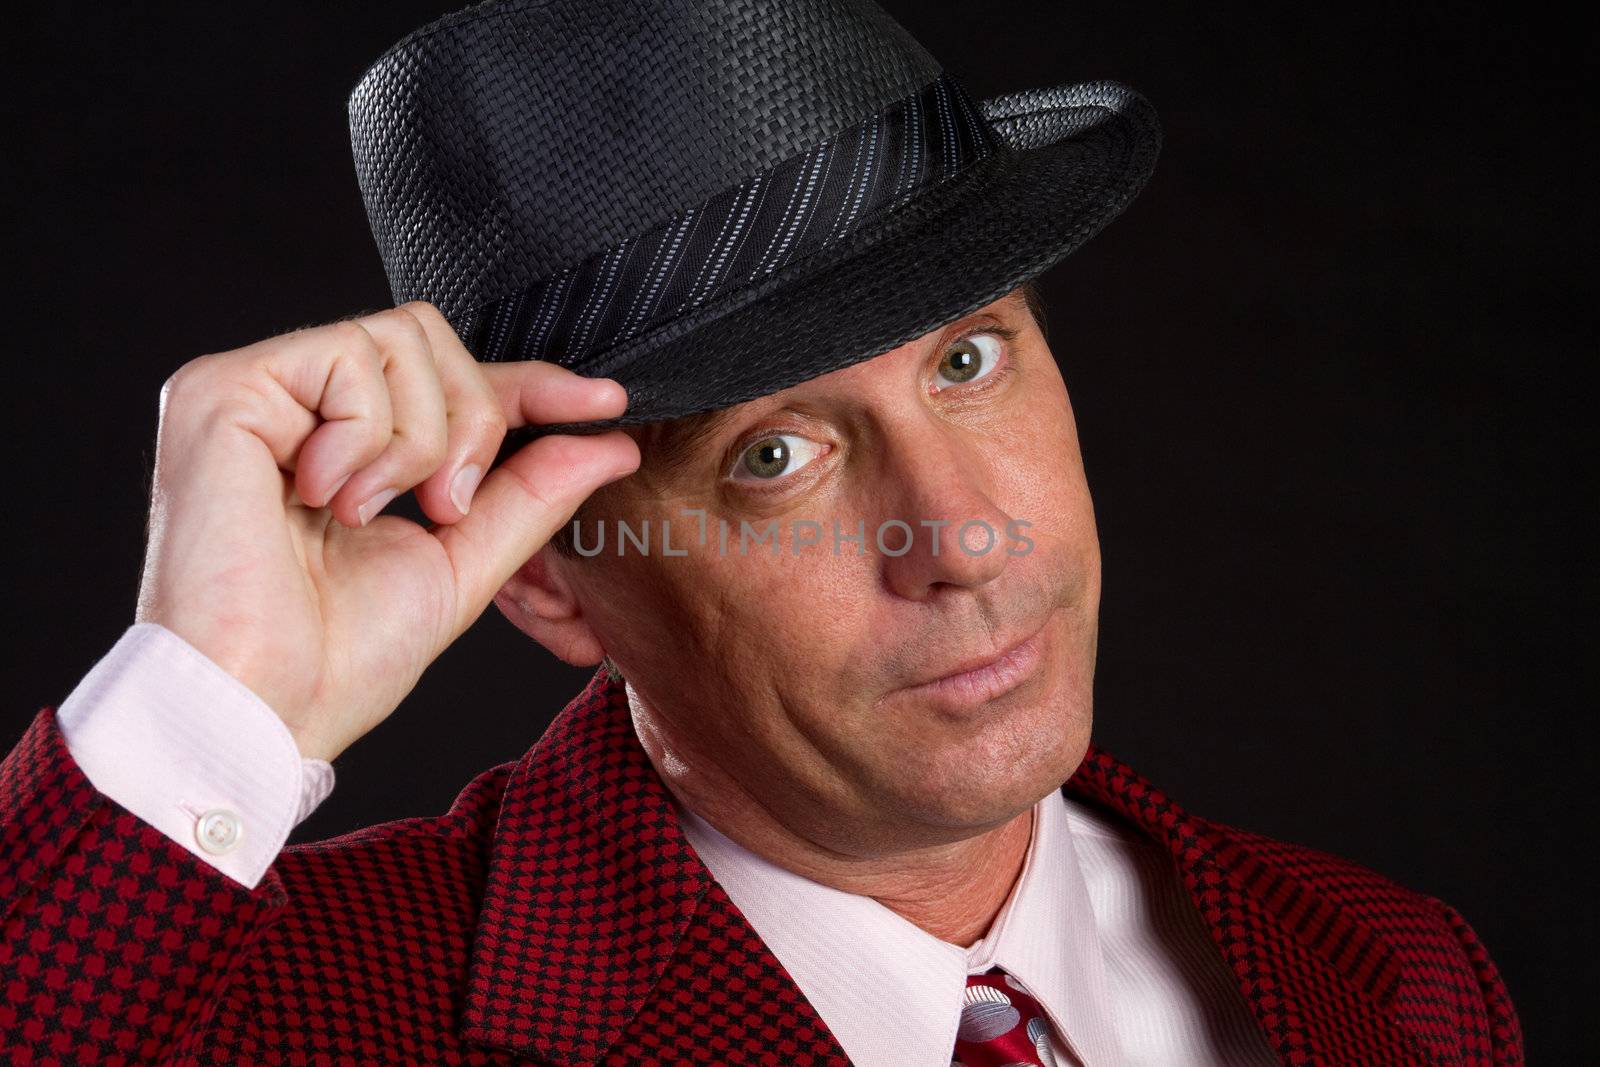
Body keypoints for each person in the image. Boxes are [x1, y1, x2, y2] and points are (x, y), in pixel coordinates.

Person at [1, 1, 1523, 1064]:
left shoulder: (1392, 973)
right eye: (775, 455)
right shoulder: (293, 1015)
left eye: (967, 359)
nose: (962, 537)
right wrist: (213, 699)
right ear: (549, 574)